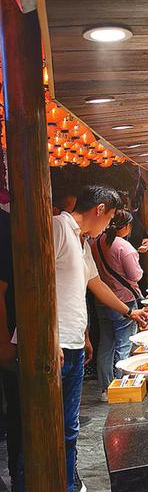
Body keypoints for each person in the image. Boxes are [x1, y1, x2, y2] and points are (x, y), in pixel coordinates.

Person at [53, 185, 148, 492]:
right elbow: (35, 281)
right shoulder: (59, 227)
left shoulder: (82, 241)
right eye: (109, 218)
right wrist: (49, 337)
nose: (108, 226)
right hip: (55, 346)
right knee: (52, 424)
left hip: (73, 343)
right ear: (100, 209)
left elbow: (95, 285)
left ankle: (70, 480)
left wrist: (129, 312)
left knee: (70, 424)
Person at [90, 209, 143, 401]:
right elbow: (135, 275)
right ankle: (122, 386)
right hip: (123, 302)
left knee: (106, 345)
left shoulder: (94, 243)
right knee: (124, 344)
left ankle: (106, 389)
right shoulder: (124, 247)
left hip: (102, 301)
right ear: (127, 226)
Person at [0, 208, 24, 491]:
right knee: (18, 412)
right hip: (11, 338)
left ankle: (20, 478)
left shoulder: (8, 223)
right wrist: (4, 344)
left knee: (18, 411)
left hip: (16, 334)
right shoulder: (6, 224)